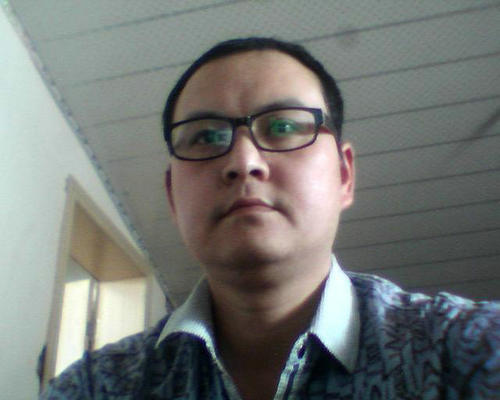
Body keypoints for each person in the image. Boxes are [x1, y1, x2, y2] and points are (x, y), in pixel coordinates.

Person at [41, 37, 499, 400]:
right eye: (205, 137)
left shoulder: (466, 350)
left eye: (282, 126)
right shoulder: (94, 388)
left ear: (343, 175)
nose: (244, 162)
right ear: (172, 197)